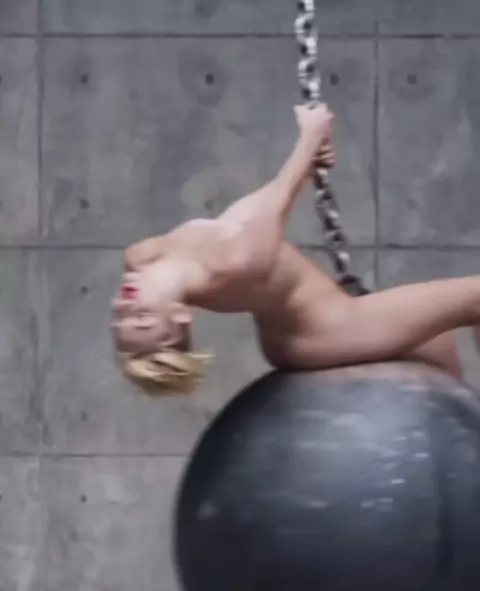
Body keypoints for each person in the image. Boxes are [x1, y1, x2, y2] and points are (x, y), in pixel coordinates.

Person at [111, 102, 480, 394]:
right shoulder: (233, 264)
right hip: (326, 331)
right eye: (142, 321)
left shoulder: (144, 257)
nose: (127, 309)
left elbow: (247, 213)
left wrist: (309, 160)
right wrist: (310, 136)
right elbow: (278, 201)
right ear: (179, 321)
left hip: (301, 330)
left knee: (438, 347)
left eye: (121, 319)